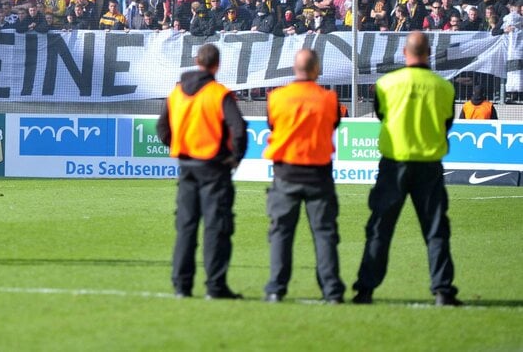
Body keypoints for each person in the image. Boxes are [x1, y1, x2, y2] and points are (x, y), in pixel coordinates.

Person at [352, 32, 461, 306]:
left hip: (394, 164)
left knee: (379, 227)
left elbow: (382, 116)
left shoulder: (386, 84)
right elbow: (446, 123)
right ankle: (443, 291)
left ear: (404, 52)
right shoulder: (444, 87)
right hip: (429, 166)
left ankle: (365, 290)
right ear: (429, 52)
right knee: (436, 230)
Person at [156, 43, 247, 299]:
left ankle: (181, 286)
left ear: (197, 61)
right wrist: (235, 157)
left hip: (186, 166)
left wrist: (178, 144)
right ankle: (215, 287)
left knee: (186, 226)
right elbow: (238, 128)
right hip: (214, 167)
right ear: (217, 65)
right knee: (216, 227)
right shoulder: (219, 93)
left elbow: (162, 128)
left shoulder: (176, 93)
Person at [263, 49, 345, 304]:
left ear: (294, 68)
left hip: (286, 173)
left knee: (281, 233)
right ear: (316, 68)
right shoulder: (329, 98)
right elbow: (334, 124)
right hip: (318, 173)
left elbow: (272, 124)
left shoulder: (276, 97)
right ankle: (332, 292)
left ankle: (276, 289)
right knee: (324, 233)